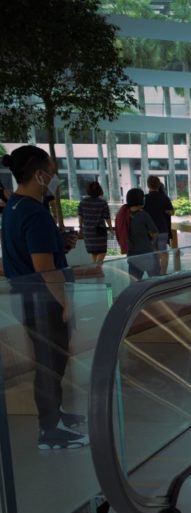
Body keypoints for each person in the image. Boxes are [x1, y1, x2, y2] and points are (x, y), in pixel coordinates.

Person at [1, 146, 88, 449]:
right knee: (50, 363)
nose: (54, 178)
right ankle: (49, 430)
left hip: (26, 298)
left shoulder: (14, 207)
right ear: (38, 174)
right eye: (51, 172)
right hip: (43, 302)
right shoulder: (34, 213)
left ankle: (55, 414)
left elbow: (30, 255)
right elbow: (44, 268)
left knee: (49, 361)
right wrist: (65, 302)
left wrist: (58, 245)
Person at [125, 188, 159, 280]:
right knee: (154, 280)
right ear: (141, 199)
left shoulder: (124, 215)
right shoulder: (143, 215)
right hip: (146, 252)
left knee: (134, 282)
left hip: (131, 253)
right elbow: (155, 233)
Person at [143, 176, 174, 274]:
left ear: (148, 185)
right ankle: (163, 273)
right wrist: (165, 211)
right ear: (158, 185)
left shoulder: (145, 198)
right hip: (163, 229)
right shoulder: (164, 197)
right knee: (163, 252)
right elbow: (172, 212)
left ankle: (154, 274)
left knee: (153, 253)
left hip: (150, 231)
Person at [77, 181, 112, 264]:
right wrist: (111, 228)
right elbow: (107, 217)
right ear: (100, 190)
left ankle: (96, 271)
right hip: (100, 232)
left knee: (93, 252)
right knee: (102, 251)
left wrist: (80, 227)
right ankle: (98, 269)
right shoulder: (102, 203)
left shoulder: (83, 202)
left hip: (88, 231)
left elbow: (80, 216)